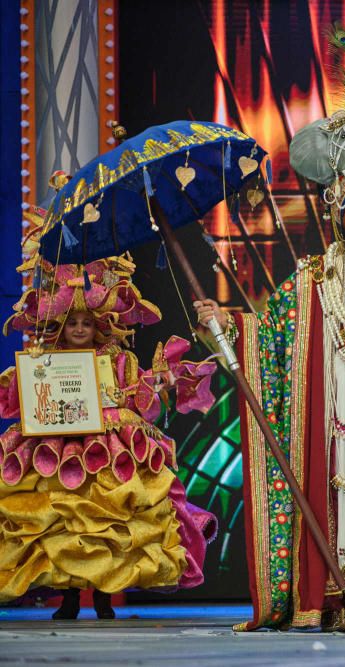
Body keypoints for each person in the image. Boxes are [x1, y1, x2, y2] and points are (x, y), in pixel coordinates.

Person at [195, 78, 345, 631]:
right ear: (335, 215)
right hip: (330, 409)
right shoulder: (312, 281)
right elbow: (270, 332)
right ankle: (335, 594)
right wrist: (224, 325)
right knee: (335, 496)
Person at [0, 238, 217, 620]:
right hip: (57, 448)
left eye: (87, 323)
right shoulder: (46, 362)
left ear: (100, 325)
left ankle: (103, 595)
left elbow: (139, 401)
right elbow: (28, 401)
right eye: (73, 324)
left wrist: (160, 382)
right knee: (63, 522)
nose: (80, 330)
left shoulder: (118, 360)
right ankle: (68, 598)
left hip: (109, 451)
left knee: (108, 523)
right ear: (61, 328)